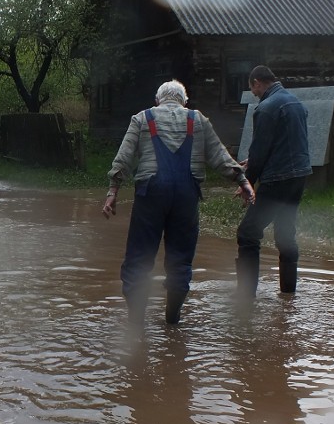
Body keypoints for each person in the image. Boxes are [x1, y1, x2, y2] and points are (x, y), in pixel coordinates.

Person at [103, 80, 255, 326]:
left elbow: (124, 157)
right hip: (186, 196)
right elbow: (219, 156)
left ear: (157, 101)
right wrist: (243, 180)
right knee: (180, 260)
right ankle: (172, 320)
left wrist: (113, 191)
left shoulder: (142, 119)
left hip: (150, 194)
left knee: (139, 258)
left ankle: (135, 324)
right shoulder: (198, 120)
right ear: (185, 102)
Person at [236, 66, 311, 298]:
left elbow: (259, 151)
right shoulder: (296, 102)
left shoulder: (266, 109)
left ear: (257, 82)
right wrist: (257, 159)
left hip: (278, 179)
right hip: (299, 176)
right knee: (285, 234)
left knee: (248, 233)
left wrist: (246, 183)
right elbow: (286, 142)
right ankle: (289, 295)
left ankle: (245, 297)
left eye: (252, 88)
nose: (253, 93)